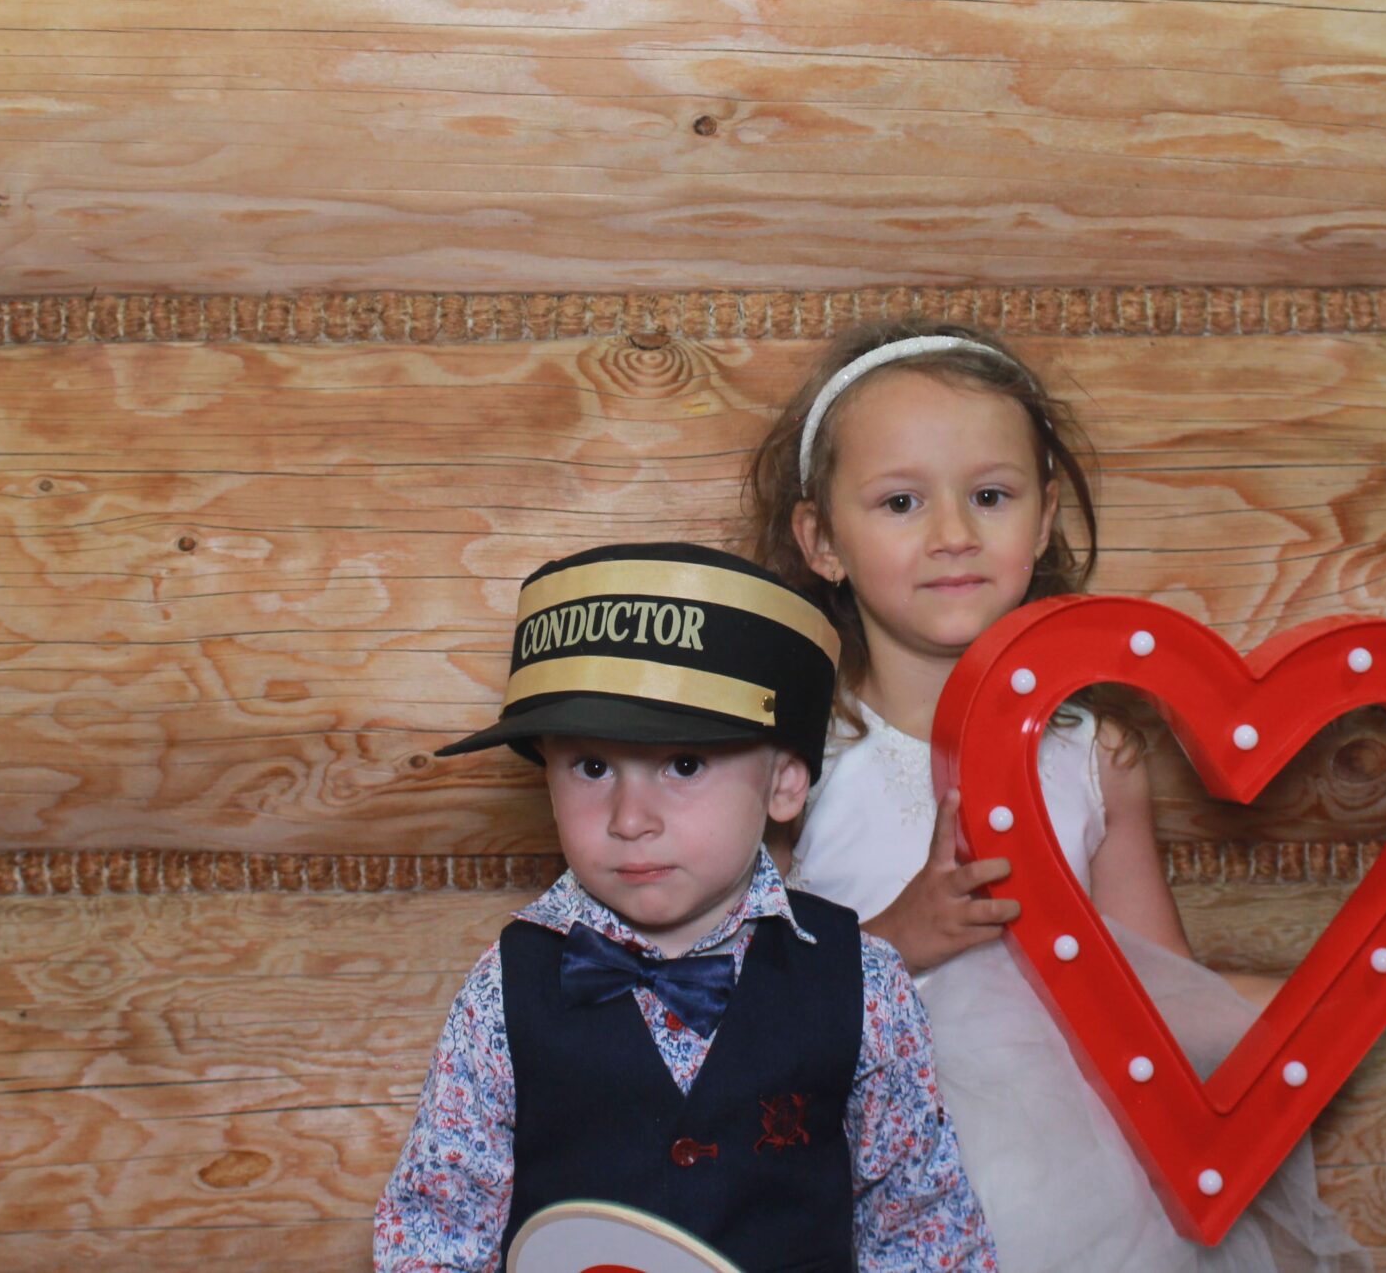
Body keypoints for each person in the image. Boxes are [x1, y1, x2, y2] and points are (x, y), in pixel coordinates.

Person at [746, 323, 1386, 1272]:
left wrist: (1385, 984)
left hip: (1076, 1216)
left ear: (1043, 517)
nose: (953, 534)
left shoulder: (1094, 756)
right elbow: (725, 1006)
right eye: (901, 501)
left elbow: (1164, 1006)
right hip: (856, 1200)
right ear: (821, 540)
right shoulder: (792, 761)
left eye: (991, 495)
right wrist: (897, 937)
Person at [373, 540, 1001, 1273]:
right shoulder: (501, 991)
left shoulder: (867, 984)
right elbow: (436, 1230)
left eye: (685, 763)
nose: (630, 818)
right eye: (592, 766)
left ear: (785, 783)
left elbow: (923, 1229)